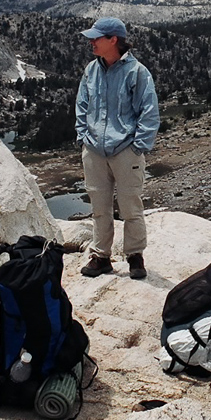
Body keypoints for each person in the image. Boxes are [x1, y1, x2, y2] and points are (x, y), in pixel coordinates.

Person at [75, 17, 160, 279]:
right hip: (94, 149)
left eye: (97, 38)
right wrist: (82, 136)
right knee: (99, 206)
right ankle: (101, 257)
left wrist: (138, 147)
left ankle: (135, 256)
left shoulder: (137, 72)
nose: (92, 42)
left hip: (125, 150)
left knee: (130, 207)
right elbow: (82, 103)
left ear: (114, 40)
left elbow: (149, 112)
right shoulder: (92, 69)